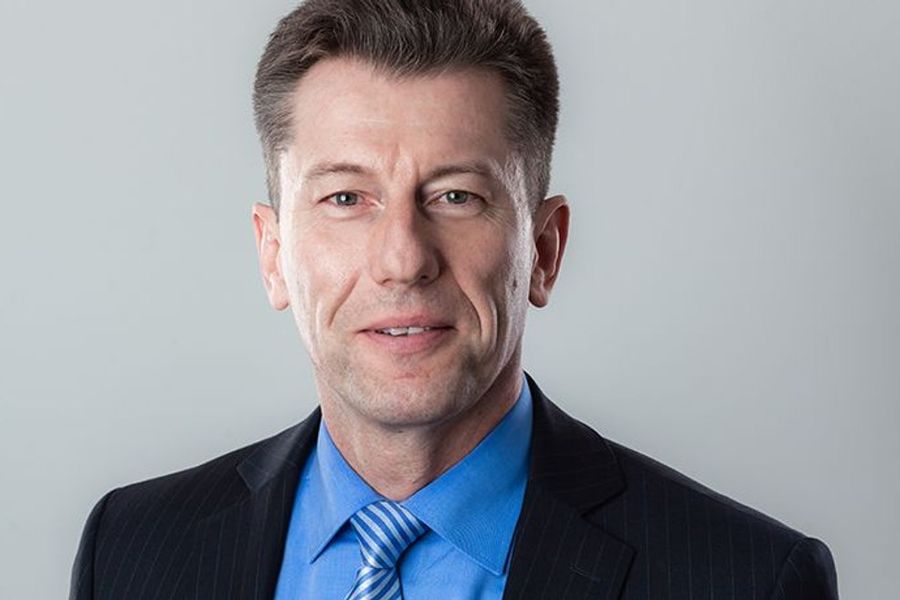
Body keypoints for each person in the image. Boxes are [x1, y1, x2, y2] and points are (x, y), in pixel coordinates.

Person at [69, 1, 838, 598]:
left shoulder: (747, 580)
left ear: (544, 250)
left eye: (456, 196)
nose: (403, 259)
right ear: (273, 255)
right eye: (345, 198)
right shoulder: (132, 551)